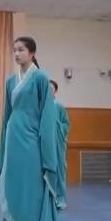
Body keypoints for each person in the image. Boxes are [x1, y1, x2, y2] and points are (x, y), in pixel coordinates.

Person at [0, 37, 77, 221]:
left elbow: (47, 114)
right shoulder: (10, 81)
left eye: (21, 50)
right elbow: (7, 114)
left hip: (31, 137)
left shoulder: (41, 78)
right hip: (13, 136)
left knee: (34, 183)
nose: (16, 54)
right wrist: (3, 143)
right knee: (14, 181)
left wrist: (46, 145)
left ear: (32, 53)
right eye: (14, 50)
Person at [49, 80, 70, 210]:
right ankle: (46, 200)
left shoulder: (59, 107)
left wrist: (57, 126)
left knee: (59, 171)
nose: (49, 91)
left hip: (57, 143)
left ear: (55, 91)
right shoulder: (40, 107)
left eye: (51, 89)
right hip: (44, 144)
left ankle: (60, 198)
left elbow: (66, 125)